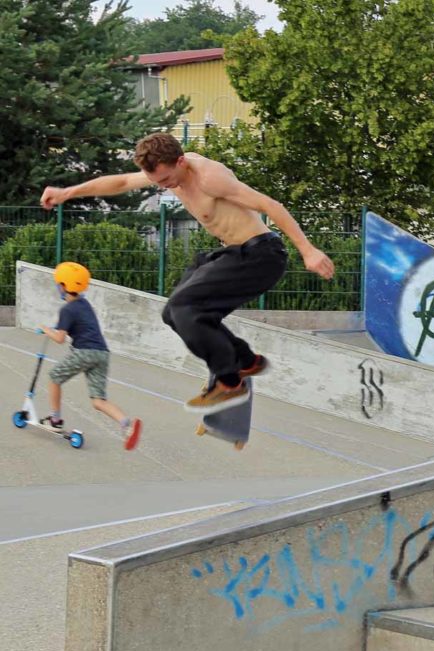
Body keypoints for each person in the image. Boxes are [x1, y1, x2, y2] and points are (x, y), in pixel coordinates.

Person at [40, 133, 335, 415]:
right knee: (172, 313)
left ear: (180, 161)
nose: (163, 186)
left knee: (186, 308)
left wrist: (308, 251)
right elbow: (121, 181)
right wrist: (68, 192)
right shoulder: (165, 171)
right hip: (233, 254)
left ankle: (230, 382)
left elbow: (270, 205)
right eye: (157, 182)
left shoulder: (210, 177)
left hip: (261, 255)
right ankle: (246, 361)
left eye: (167, 179)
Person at [41, 261, 142, 451]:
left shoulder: (67, 309)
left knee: (54, 378)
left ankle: (54, 419)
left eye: (58, 284)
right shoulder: (84, 304)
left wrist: (46, 330)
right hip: (102, 353)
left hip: (84, 352)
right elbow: (82, 326)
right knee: (98, 400)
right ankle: (126, 424)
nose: (57, 287)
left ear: (64, 286)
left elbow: (60, 338)